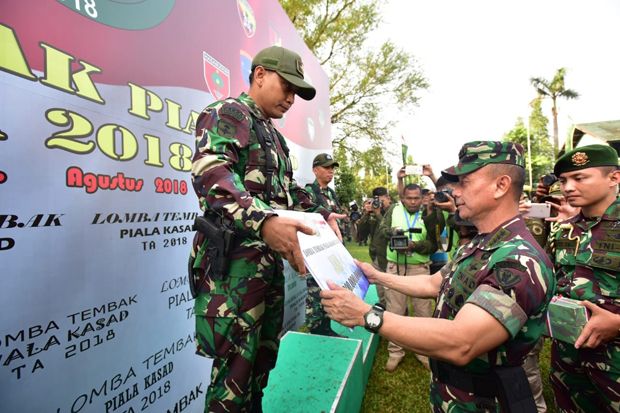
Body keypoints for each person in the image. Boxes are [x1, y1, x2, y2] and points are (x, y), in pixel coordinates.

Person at [321, 141, 556, 412]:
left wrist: (366, 315)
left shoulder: (518, 260)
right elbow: (434, 283)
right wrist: (377, 277)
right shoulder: (480, 243)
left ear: (501, 185)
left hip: (487, 402)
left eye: (464, 182)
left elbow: (461, 341)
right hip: (456, 394)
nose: (454, 191)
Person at [189, 45, 342, 412]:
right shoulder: (228, 113)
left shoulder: (274, 137)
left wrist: (322, 214)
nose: (291, 98)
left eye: (296, 92)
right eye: (286, 86)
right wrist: (265, 220)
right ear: (259, 75)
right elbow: (212, 174)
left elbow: (287, 192)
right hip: (234, 272)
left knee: (262, 364)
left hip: (267, 269)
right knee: (232, 376)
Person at [547, 144, 620, 412]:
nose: (567, 187)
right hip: (569, 358)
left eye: (579, 178)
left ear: (614, 178)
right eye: (564, 180)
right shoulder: (564, 229)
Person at [379, 183, 438, 371]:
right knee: (395, 310)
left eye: (416, 198)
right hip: (395, 267)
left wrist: (415, 246)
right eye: (409, 198)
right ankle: (395, 352)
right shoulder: (394, 210)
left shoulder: (429, 214)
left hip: (420, 268)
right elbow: (382, 229)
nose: (412, 201)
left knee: (423, 312)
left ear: (422, 198)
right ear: (402, 198)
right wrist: (393, 234)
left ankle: (424, 353)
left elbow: (433, 245)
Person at [303, 153, 343, 336]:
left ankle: (326, 325)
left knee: (328, 288)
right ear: (315, 170)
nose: (331, 171)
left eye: (332, 168)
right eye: (326, 167)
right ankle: (316, 326)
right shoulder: (308, 193)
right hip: (315, 251)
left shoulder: (331, 194)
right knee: (315, 290)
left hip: (332, 250)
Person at [357, 187, 393, 306]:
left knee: (393, 297)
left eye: (381, 202)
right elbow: (361, 235)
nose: (379, 205)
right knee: (382, 295)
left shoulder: (394, 211)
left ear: (388, 198)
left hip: (391, 258)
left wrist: (378, 214)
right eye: (376, 202)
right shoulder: (372, 213)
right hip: (377, 258)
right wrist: (366, 214)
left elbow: (388, 231)